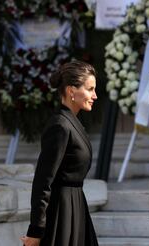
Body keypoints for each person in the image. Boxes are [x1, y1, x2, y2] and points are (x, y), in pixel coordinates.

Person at [21, 60, 99, 246]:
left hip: (76, 207)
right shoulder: (60, 126)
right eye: (90, 89)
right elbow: (43, 181)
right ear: (72, 91)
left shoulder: (72, 122)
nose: (95, 95)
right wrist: (36, 230)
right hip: (61, 215)